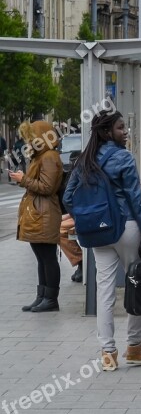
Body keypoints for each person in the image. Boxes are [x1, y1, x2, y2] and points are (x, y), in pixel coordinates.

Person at [63, 111, 141, 371]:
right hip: (126, 227)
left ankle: (107, 353)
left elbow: (68, 198)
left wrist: (86, 218)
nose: (125, 131)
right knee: (136, 284)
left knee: (104, 289)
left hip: (98, 233)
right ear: (107, 132)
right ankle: (135, 348)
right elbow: (136, 202)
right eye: (120, 127)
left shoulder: (85, 160)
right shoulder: (123, 158)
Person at [11, 121, 63, 313]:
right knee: (41, 256)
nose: (30, 143)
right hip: (40, 212)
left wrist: (23, 180)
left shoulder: (49, 157)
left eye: (32, 138)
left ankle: (50, 298)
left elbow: (48, 188)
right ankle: (42, 296)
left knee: (47, 257)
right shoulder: (41, 156)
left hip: (45, 212)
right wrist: (23, 179)